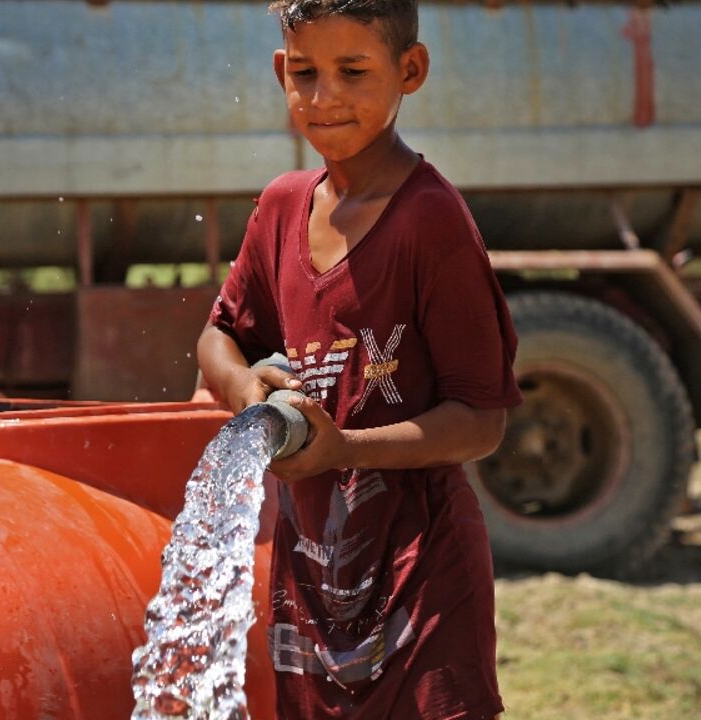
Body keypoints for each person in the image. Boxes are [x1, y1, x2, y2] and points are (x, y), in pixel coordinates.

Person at [196, 1, 521, 717]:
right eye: (306, 72)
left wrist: (344, 447)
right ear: (281, 72)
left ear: (411, 71)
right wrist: (242, 384)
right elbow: (217, 338)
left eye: (353, 71)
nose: (325, 96)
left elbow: (481, 420)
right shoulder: (282, 208)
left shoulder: (429, 221)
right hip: (312, 579)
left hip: (421, 575)